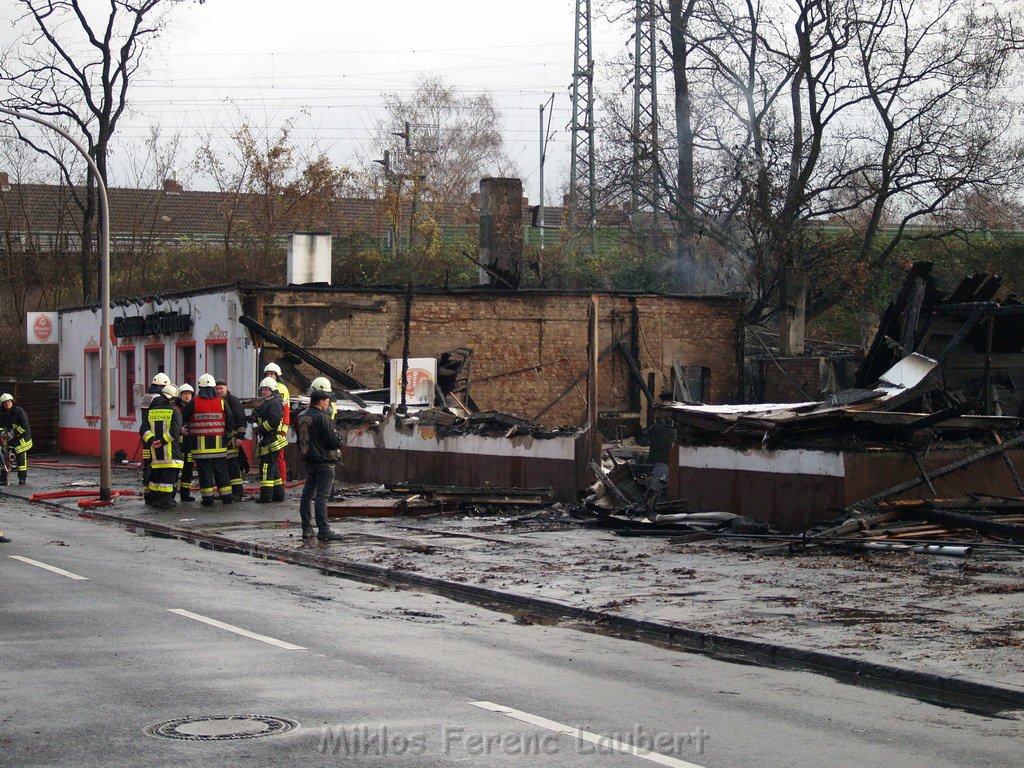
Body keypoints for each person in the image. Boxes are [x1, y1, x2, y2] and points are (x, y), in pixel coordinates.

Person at [295, 390, 344, 540]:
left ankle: (307, 528)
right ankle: (323, 529)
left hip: (309, 459)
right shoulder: (323, 418)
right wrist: (339, 441)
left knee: (307, 494)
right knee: (322, 496)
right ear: (321, 401)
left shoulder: (301, 416)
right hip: (325, 461)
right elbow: (333, 441)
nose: (328, 403)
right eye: (327, 401)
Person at [188, 373, 234, 507]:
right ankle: (227, 497)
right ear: (214, 388)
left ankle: (208, 499)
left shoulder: (194, 402)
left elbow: (184, 416)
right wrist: (229, 436)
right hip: (219, 445)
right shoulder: (221, 402)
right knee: (221, 470)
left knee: (205, 472)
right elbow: (230, 421)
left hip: (200, 447)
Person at [142, 383, 183, 508]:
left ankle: (155, 500)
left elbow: (144, 429)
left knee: (155, 478)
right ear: (173, 397)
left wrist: (152, 441)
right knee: (168, 479)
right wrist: (162, 441)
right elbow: (175, 431)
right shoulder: (175, 411)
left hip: (155, 454)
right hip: (171, 454)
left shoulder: (152, 411)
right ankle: (166, 501)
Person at [253, 376, 287, 503]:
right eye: (262, 389)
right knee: (274, 468)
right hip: (270, 439)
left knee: (267, 468)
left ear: (272, 389)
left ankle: (266, 496)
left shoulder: (274, 403)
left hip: (271, 439)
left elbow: (273, 421)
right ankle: (278, 495)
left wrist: (260, 429)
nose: (263, 392)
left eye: (266, 389)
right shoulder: (271, 401)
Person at [139, 372, 171, 501]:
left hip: (146, 437)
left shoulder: (146, 397)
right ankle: (155, 494)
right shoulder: (159, 399)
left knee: (147, 463)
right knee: (156, 465)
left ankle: (147, 492)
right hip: (157, 438)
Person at [215, 379, 247, 499]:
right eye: (217, 389)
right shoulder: (216, 401)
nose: (219, 391)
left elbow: (241, 420)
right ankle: (226, 492)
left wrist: (240, 437)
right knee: (222, 467)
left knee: (233, 466)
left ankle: (238, 492)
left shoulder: (233, 401)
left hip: (232, 439)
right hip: (220, 439)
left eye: (221, 389)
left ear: (226, 388)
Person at [263, 362, 290, 483]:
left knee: (278, 456)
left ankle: (282, 481)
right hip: (269, 429)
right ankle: (275, 482)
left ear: (277, 375)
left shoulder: (281, 388)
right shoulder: (266, 387)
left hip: (278, 428)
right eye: (267, 373)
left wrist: (284, 429)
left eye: (272, 374)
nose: (269, 375)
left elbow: (285, 410)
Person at [0, 393, 32, 485]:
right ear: (2, 404)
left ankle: (22, 479)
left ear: (12, 401)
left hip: (22, 439)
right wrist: (2, 433)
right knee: (5, 457)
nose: (7, 404)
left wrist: (13, 433)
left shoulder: (19, 411)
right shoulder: (2, 413)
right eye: (5, 403)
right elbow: (1, 425)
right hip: (10, 439)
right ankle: (3, 478)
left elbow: (24, 426)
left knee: (21, 458)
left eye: (9, 402)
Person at [175, 384, 196, 502]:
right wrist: (179, 431)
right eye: (185, 394)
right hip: (177, 445)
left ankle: (185, 494)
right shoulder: (175, 407)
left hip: (189, 444)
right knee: (175, 470)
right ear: (180, 395)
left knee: (188, 470)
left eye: (189, 394)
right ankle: (172, 493)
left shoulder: (194, 406)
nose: (187, 396)